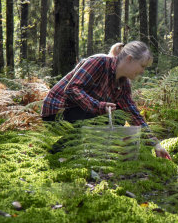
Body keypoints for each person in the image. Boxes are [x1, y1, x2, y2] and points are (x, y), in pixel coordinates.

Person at [41, 41, 171, 159]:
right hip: (58, 112)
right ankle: (55, 150)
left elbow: (133, 113)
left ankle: (87, 151)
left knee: (120, 116)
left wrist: (156, 144)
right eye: (142, 66)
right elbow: (72, 89)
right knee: (100, 114)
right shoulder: (99, 62)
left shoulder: (124, 83)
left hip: (81, 114)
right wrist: (99, 106)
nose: (142, 71)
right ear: (129, 59)